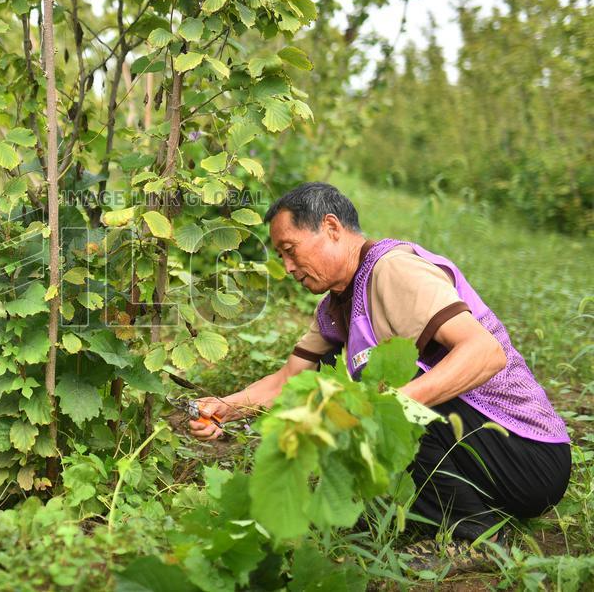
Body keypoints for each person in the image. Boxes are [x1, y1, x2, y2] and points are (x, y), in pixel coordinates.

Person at [190, 182, 571, 551]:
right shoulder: (335, 305)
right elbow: (289, 379)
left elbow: (485, 353)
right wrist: (226, 407)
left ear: (331, 227)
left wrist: (385, 406)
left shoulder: (393, 269)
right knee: (367, 404)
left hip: (529, 454)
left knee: (387, 401)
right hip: (489, 459)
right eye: (281, 256)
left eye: (291, 250)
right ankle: (450, 510)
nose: (288, 267)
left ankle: (477, 537)